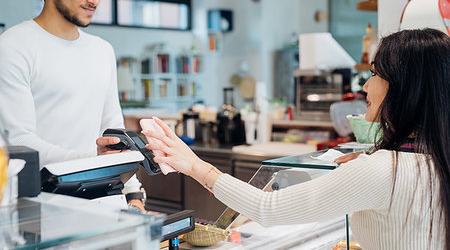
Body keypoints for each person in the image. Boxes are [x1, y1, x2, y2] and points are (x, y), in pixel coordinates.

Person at [144, 28, 450, 249]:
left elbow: (267, 208)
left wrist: (193, 164)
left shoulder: (381, 170)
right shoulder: (437, 157)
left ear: (404, 88)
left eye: (374, 74)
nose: (365, 87)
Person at [0, 0, 145, 210]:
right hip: (44, 205)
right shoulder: (14, 46)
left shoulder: (102, 50)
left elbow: (112, 129)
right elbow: (21, 143)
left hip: (108, 201)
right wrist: (94, 158)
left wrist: (134, 194)